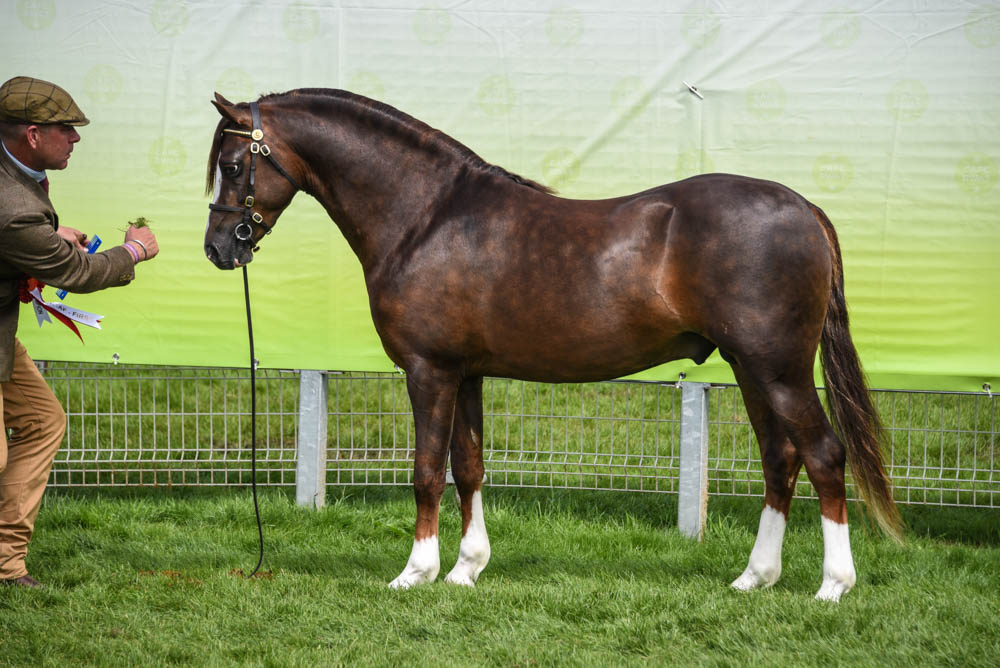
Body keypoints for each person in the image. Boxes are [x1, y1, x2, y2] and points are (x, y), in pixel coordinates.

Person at [0, 76, 159, 588]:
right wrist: (134, 250)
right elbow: (78, 274)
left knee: (43, 422)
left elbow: (24, 238)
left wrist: (48, 238)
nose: (76, 138)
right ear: (32, 134)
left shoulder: (15, 178)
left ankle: (4, 565)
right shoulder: (13, 209)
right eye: (66, 129)